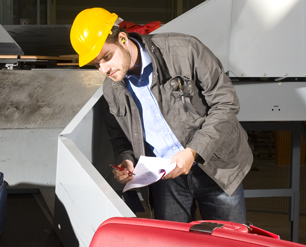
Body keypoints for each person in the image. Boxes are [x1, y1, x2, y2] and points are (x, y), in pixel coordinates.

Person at [70, 8, 253, 223]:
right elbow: (120, 140)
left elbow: (226, 103)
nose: (104, 69)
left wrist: (194, 151)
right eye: (96, 64)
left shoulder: (185, 51)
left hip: (217, 167)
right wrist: (126, 161)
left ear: (122, 38)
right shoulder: (112, 90)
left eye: (107, 57)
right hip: (166, 180)